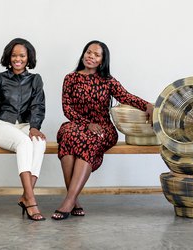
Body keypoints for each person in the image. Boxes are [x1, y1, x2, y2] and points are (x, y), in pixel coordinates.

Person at [52, 40, 153, 220]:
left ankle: (69, 201)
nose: (91, 56)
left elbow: (126, 96)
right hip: (78, 124)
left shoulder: (108, 81)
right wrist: (85, 123)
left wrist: (147, 105)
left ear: (102, 60)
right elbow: (67, 108)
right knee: (67, 134)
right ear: (84, 54)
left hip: (103, 128)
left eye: (96, 55)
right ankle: (73, 200)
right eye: (88, 52)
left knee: (89, 138)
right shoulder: (70, 78)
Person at [0, 38, 47, 221]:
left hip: (24, 125)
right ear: (8, 57)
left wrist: (35, 127)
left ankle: (26, 195)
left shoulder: (35, 80)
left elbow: (38, 105)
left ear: (28, 58)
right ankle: (30, 200)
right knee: (24, 143)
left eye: (22, 55)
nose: (17, 59)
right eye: (14, 55)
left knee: (38, 142)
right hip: (2, 125)